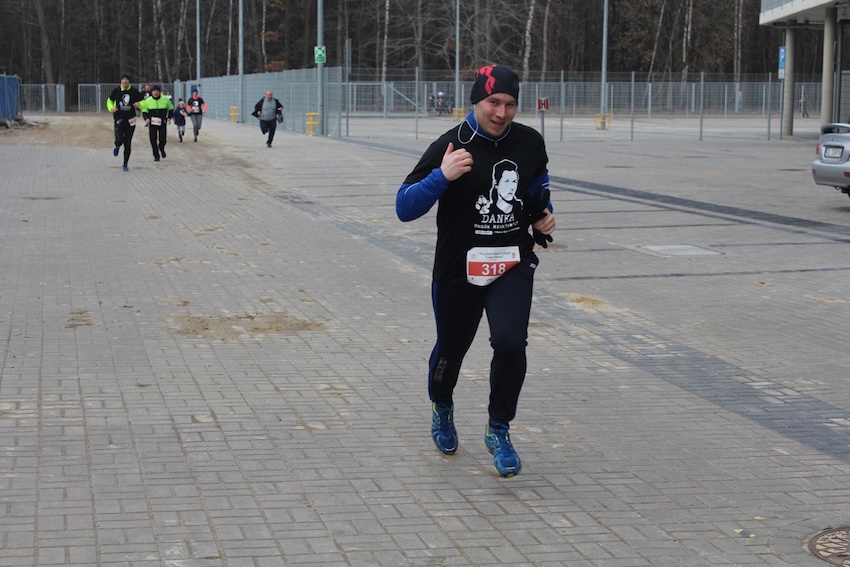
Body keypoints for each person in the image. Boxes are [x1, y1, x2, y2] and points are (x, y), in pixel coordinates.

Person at [395, 64, 556, 478]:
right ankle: (442, 405)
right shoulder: (451, 144)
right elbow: (404, 207)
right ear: (476, 101)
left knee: (510, 342)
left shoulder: (529, 141)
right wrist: (441, 176)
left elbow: (537, 185)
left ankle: (498, 428)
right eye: (493, 102)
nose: (501, 113)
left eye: (510, 104)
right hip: (458, 270)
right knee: (451, 350)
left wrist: (544, 216)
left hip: (510, 264)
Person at [107, 73, 144, 171]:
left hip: (131, 119)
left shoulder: (134, 91)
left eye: (126, 79)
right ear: (121, 81)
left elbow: (143, 102)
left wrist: (139, 104)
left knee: (127, 142)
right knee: (120, 138)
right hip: (119, 118)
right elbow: (109, 101)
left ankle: (125, 164)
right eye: (123, 79)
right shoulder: (116, 91)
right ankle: (117, 145)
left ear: (129, 81)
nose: (125, 81)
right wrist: (111, 108)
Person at [141, 84, 174, 162]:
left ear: (160, 92)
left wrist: (169, 117)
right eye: (154, 91)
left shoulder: (165, 99)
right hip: (152, 123)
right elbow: (144, 111)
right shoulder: (148, 100)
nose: (155, 93)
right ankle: (156, 155)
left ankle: (161, 148)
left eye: (157, 91)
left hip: (162, 122)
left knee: (163, 139)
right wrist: (146, 119)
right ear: (151, 92)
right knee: (153, 139)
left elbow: (171, 109)